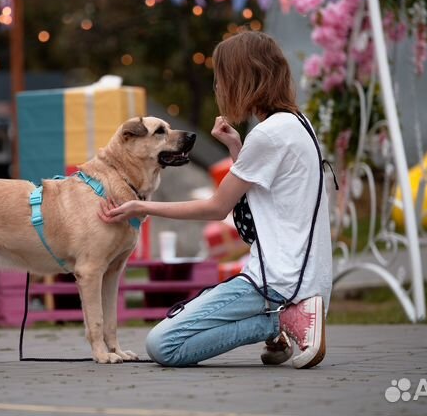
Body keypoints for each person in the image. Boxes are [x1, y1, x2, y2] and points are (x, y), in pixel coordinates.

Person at [99, 30, 333, 369]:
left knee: (164, 344)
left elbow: (216, 207)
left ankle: (279, 321)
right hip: (305, 276)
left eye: (221, 78)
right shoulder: (297, 124)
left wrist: (141, 205)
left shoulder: (268, 134)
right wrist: (236, 148)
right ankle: (282, 320)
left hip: (277, 282)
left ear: (243, 78)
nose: (219, 88)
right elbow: (264, 198)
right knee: (192, 326)